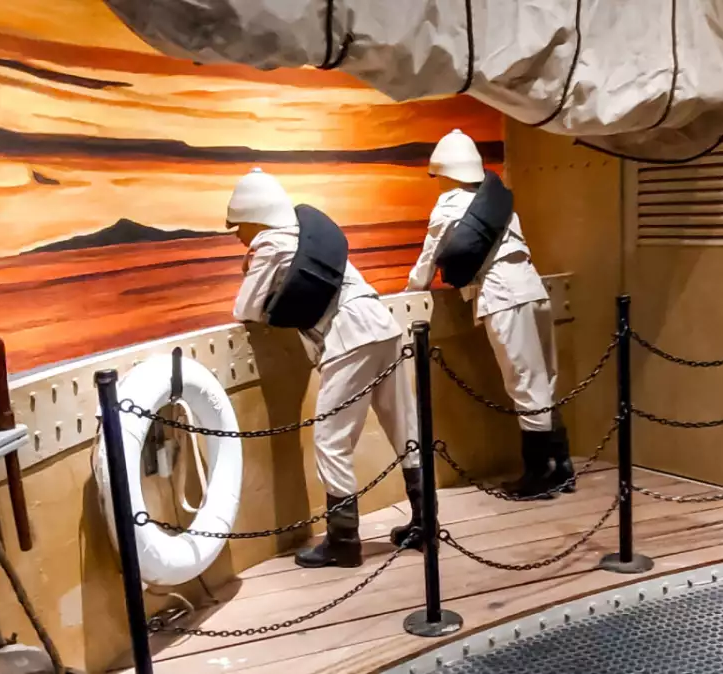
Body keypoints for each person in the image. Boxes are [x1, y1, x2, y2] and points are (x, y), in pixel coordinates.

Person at [227, 168, 424, 568]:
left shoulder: (270, 243)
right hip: (382, 325)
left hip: (348, 335)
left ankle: (344, 540)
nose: (237, 236)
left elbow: (245, 309)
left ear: (254, 217)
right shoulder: (302, 235)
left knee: (331, 441)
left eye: (238, 226)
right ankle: (425, 519)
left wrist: (249, 268)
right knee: (404, 425)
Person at [406, 129, 573, 499]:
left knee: (524, 384)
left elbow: (427, 262)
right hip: (533, 289)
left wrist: (412, 289)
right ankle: (561, 466)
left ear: (445, 172)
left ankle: (539, 475)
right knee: (545, 381)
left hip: (502, 296)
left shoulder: (449, 205)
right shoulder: (496, 203)